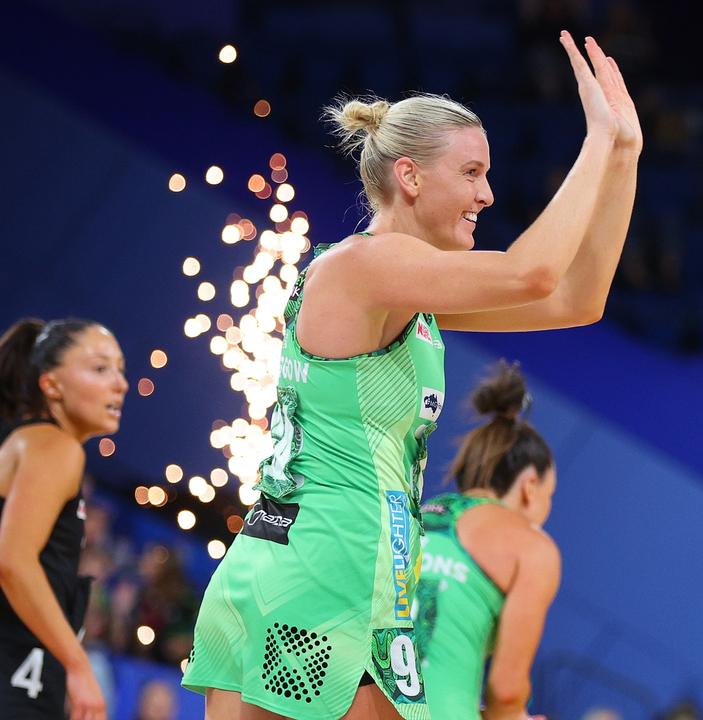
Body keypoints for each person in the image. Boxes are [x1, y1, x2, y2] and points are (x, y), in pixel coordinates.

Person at [182, 30, 641, 720]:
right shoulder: (364, 267)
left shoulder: (411, 293)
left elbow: (578, 300)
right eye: (473, 173)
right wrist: (595, 144)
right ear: (411, 177)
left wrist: (625, 156)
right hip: (314, 579)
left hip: (359, 583)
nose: (488, 194)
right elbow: (531, 270)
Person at [413, 362, 558, 719]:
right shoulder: (532, 548)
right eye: (549, 496)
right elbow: (506, 692)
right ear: (529, 488)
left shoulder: (416, 514)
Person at [0, 318, 127, 720]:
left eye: (121, 369)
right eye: (100, 368)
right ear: (51, 384)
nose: (120, 384)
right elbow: (13, 560)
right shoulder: (56, 446)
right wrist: (77, 665)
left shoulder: (25, 441)